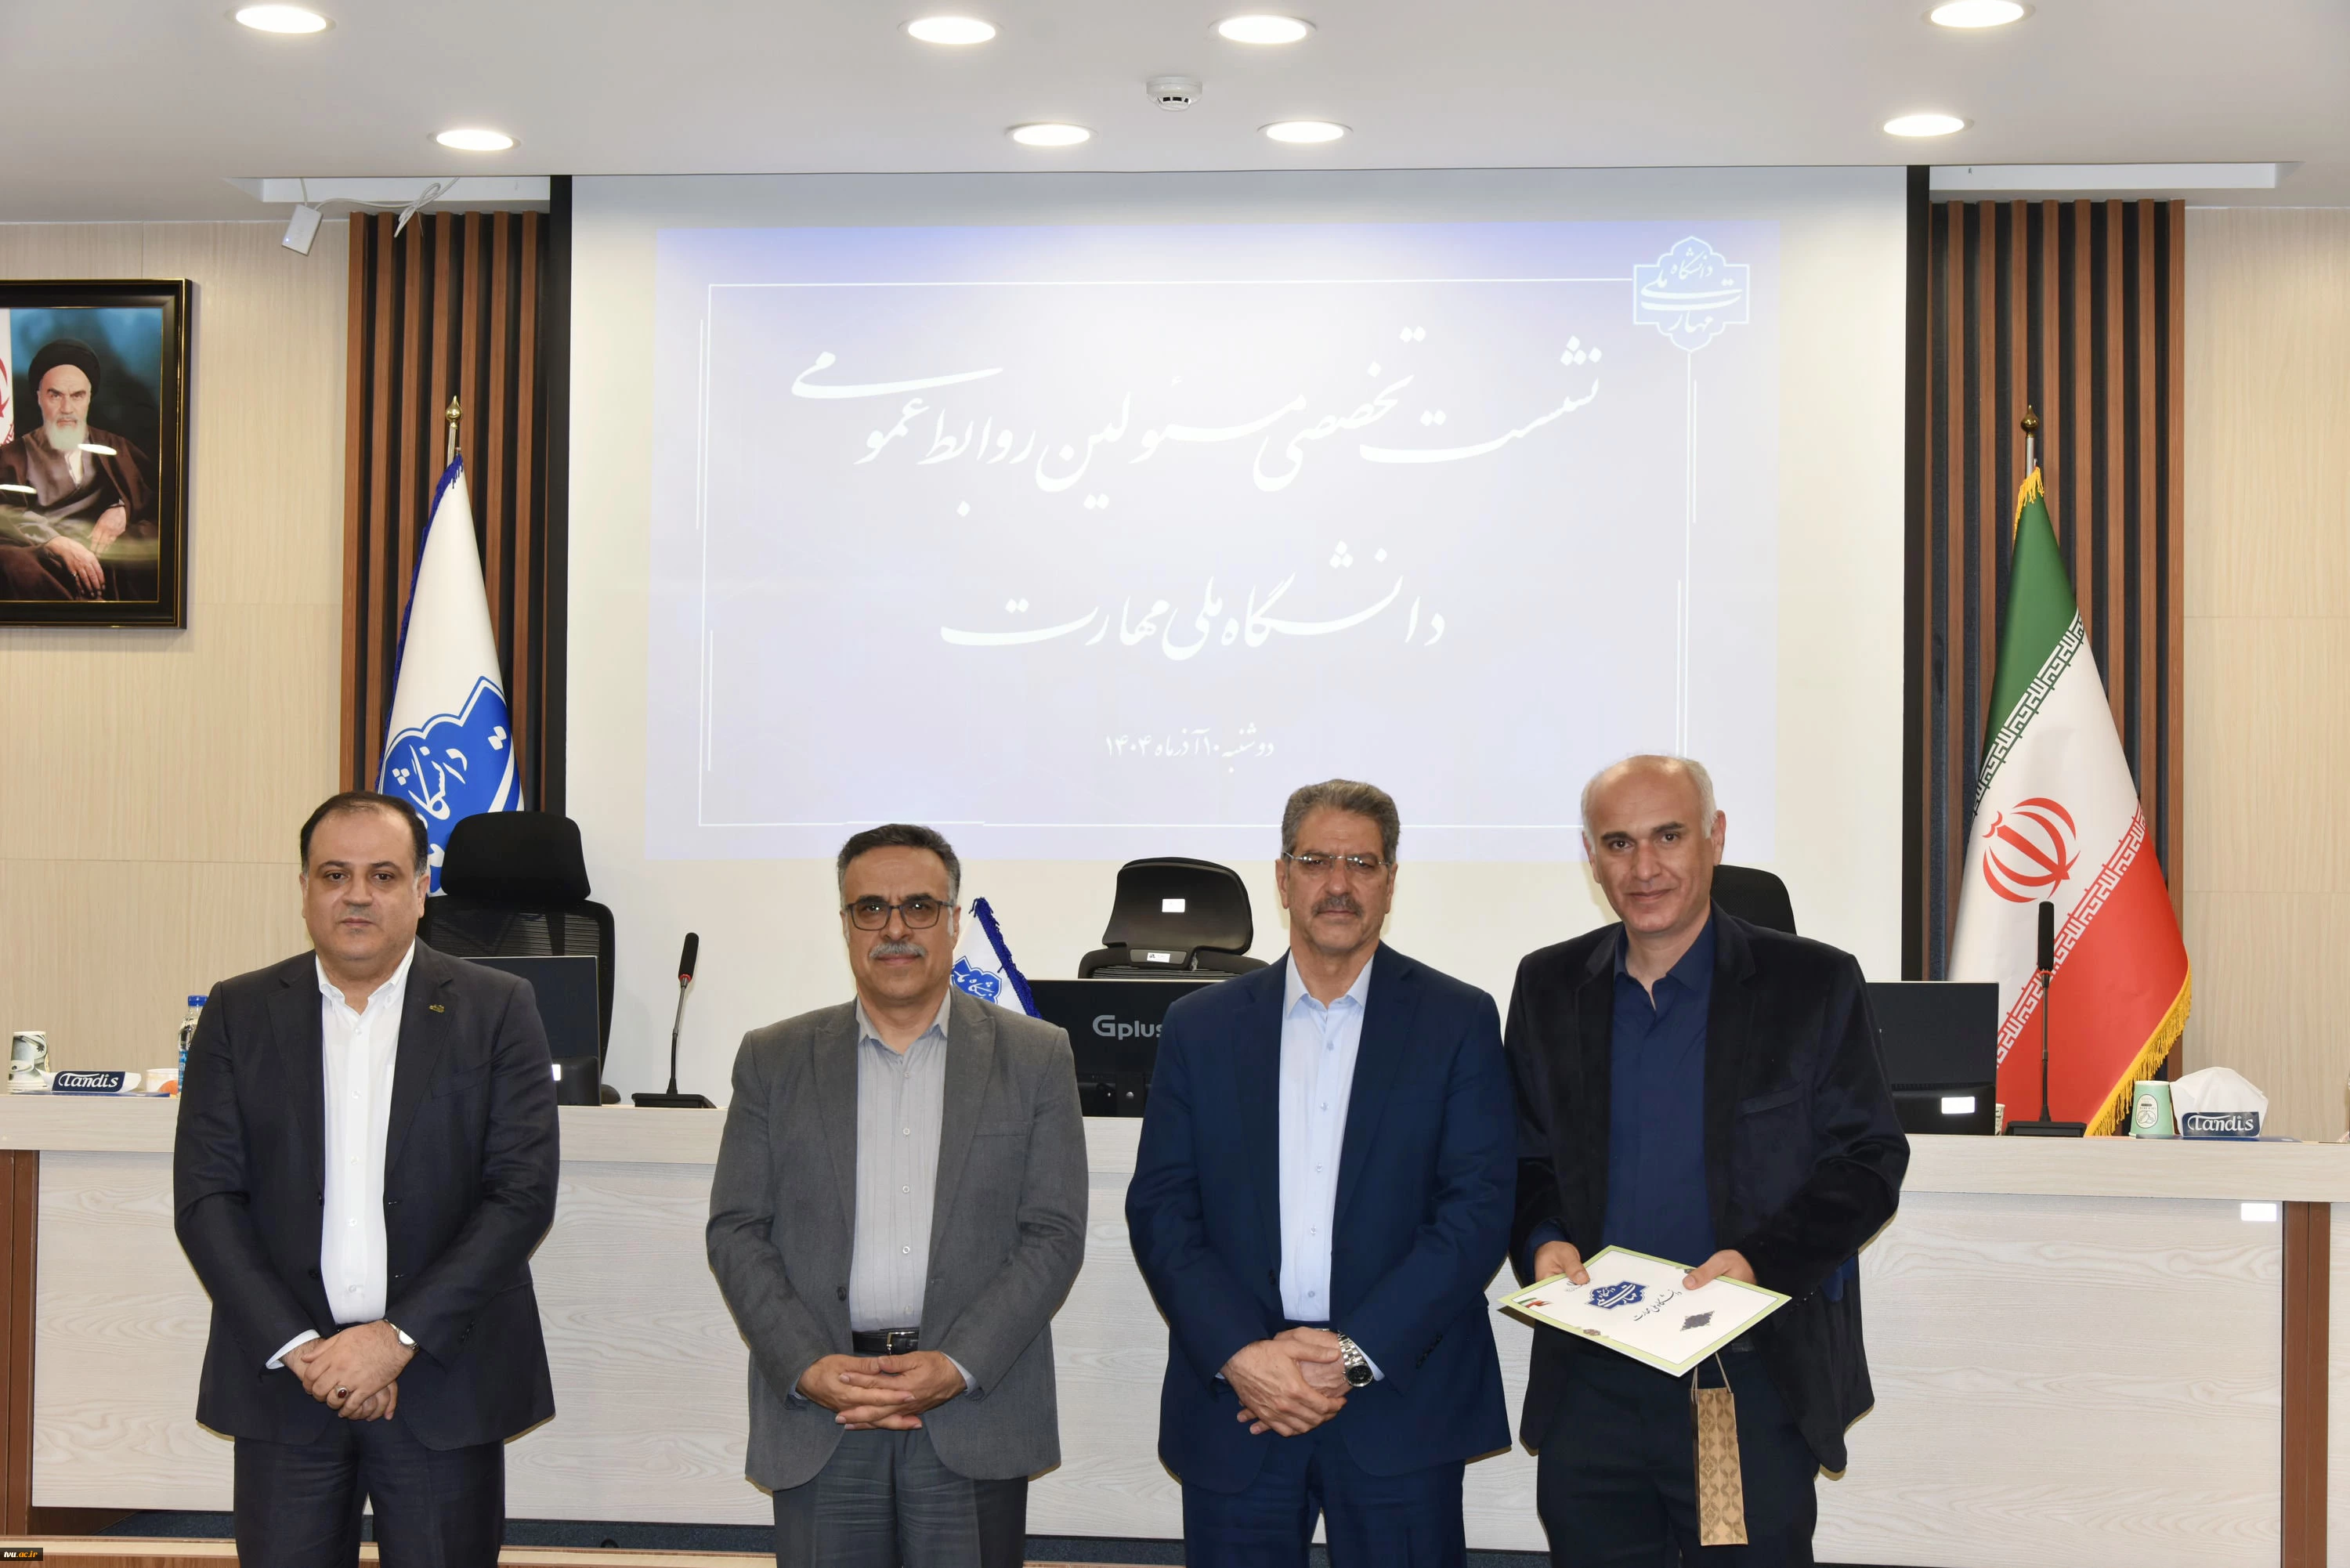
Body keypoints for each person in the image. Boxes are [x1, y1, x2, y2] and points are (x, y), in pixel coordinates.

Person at [1506, 755, 1909, 1566]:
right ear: (1590, 856)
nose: (1644, 868)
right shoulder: (1549, 985)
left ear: (1715, 838)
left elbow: (1868, 1159)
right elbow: (1521, 1155)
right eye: (1619, 843)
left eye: (1669, 837)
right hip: (1593, 1384)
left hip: (1739, 1381)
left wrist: (1760, 1262)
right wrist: (1542, 1240)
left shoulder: (1811, 983)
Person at [1126, 779, 1516, 1568]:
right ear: (1282, 878)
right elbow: (1163, 1209)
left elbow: (1476, 1210)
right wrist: (1243, 1354)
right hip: (1240, 1403)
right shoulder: (1199, 1028)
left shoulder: (1458, 1019)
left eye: (1361, 863)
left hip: (1399, 1402)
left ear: (1391, 881)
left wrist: (1353, 1355)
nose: (1338, 883)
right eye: (1315, 861)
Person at [173, 790, 561, 1568]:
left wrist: (395, 1340)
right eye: (334, 874)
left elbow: (519, 1195)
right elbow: (207, 1198)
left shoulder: (498, 1008)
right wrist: (306, 1351)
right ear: (305, 890)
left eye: (382, 875)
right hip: (288, 1386)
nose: (357, 894)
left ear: (420, 891)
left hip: (443, 1379)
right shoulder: (239, 1011)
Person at [707, 822, 1087, 1568]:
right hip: (825, 1416)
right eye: (871, 909)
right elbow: (737, 1230)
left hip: (972, 1413)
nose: (895, 929)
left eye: (918, 906)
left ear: (953, 921)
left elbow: (1053, 1234)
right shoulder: (772, 1059)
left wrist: (957, 1364)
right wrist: (808, 1366)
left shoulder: (1037, 1056)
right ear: (845, 925)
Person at [0, 337, 158, 600]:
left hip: (106, 561)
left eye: (77, 396)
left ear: (89, 399)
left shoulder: (116, 448)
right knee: (12, 563)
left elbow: (161, 502)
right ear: (39, 398)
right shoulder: (10, 456)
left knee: (146, 541)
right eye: (55, 395)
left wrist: (123, 508)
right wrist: (55, 543)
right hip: (43, 560)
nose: (67, 409)